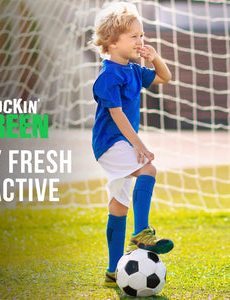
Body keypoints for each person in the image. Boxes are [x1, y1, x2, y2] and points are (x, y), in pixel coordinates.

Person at [91, 2, 174, 286]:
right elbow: (117, 115)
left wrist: (154, 58)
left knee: (119, 205)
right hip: (110, 143)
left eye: (142, 35)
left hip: (122, 144)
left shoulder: (135, 70)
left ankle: (114, 270)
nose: (141, 41)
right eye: (134, 37)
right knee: (148, 169)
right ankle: (142, 233)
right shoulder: (108, 76)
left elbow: (165, 77)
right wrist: (139, 145)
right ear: (113, 42)